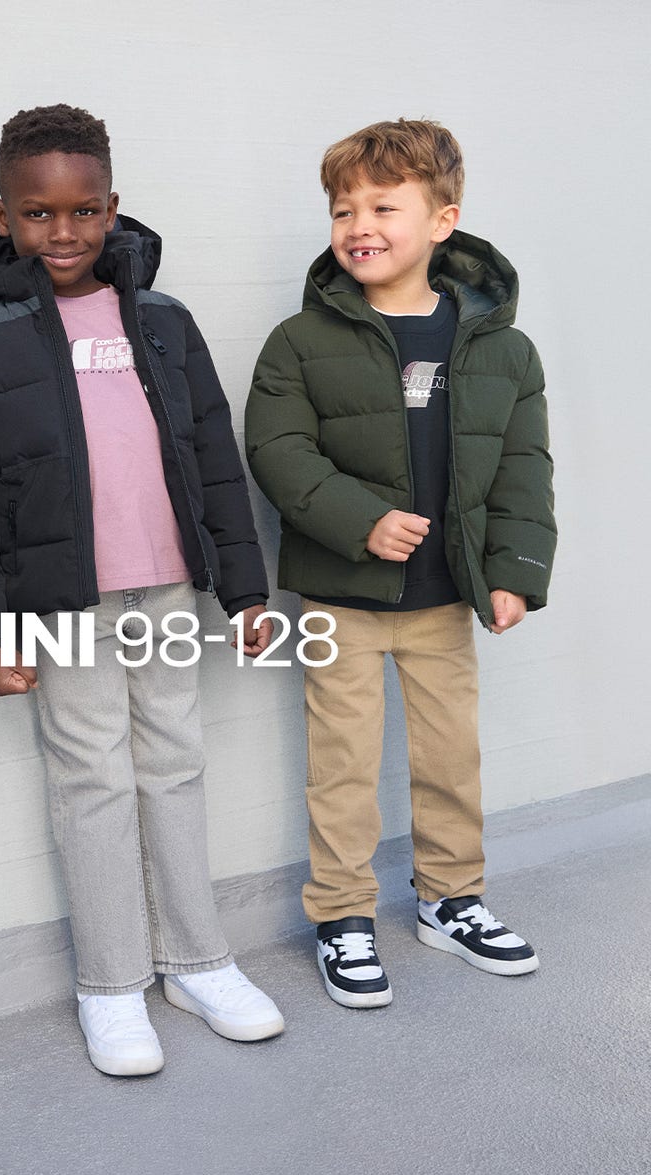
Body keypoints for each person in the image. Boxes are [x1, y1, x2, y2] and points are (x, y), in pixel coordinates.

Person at [0, 104, 284, 1078]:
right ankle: (111, 983)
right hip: (63, 604)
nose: (63, 231)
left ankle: (198, 962)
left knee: (175, 764)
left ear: (112, 208)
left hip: (165, 590)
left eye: (83, 211)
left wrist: (245, 591)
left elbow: (213, 456)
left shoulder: (163, 322)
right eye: (38, 213)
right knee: (93, 782)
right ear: (3, 215)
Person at [245, 118, 555, 1009]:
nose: (359, 226)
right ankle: (343, 915)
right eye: (344, 210)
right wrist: (363, 522)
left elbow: (523, 466)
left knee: (450, 756)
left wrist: (515, 570)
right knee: (341, 764)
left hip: (445, 597)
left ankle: (450, 900)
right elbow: (277, 449)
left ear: (442, 221)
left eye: (384, 207)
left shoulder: (502, 348)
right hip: (342, 597)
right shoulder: (299, 341)